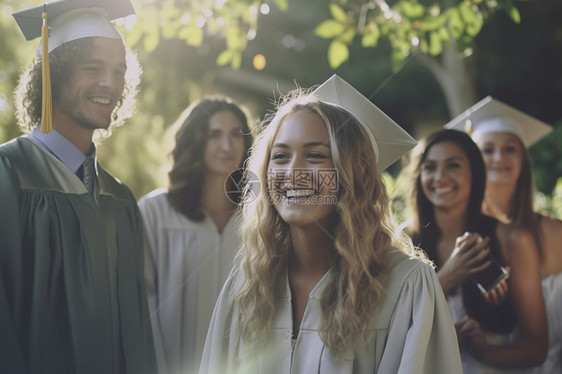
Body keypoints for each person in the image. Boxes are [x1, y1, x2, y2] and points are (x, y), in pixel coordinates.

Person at [199, 75, 462, 374]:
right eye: (281, 156)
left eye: (315, 156)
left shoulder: (405, 286)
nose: (294, 172)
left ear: (353, 176)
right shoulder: (249, 284)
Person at [0, 0, 156, 373]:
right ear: (53, 75)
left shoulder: (119, 199)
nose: (110, 83)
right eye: (93, 68)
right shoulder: (9, 176)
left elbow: (136, 334)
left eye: (119, 71)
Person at [402, 129, 547, 373]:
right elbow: (388, 330)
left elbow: (537, 347)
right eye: (430, 167)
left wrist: (486, 350)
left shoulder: (512, 239)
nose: (440, 177)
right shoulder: (403, 241)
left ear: (475, 174)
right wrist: (447, 278)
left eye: (453, 166)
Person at [445, 96, 562, 373]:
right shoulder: (462, 237)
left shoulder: (554, 232)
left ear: (523, 159)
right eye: (488, 150)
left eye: (510, 149)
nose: (499, 158)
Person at [138, 96, 253, 374]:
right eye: (214, 135)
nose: (227, 146)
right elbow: (142, 301)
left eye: (236, 134)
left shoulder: (256, 217)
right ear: (195, 140)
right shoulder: (155, 212)